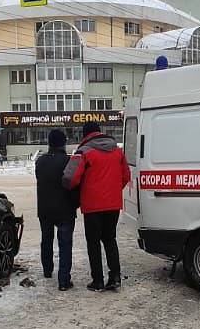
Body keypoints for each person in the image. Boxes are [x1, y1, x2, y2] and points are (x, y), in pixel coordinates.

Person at [62, 121, 130, 292]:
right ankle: (115, 277)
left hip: (92, 206)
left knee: (93, 243)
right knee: (109, 239)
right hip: (113, 205)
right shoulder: (117, 151)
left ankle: (98, 281)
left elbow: (70, 178)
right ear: (100, 133)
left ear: (85, 135)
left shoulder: (84, 152)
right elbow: (126, 176)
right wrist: (112, 191)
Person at [35, 129, 78, 291]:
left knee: (46, 240)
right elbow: (73, 185)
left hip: (45, 208)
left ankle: (47, 270)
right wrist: (75, 204)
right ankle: (64, 280)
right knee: (65, 244)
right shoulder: (68, 161)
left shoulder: (40, 161)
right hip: (65, 208)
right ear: (63, 143)